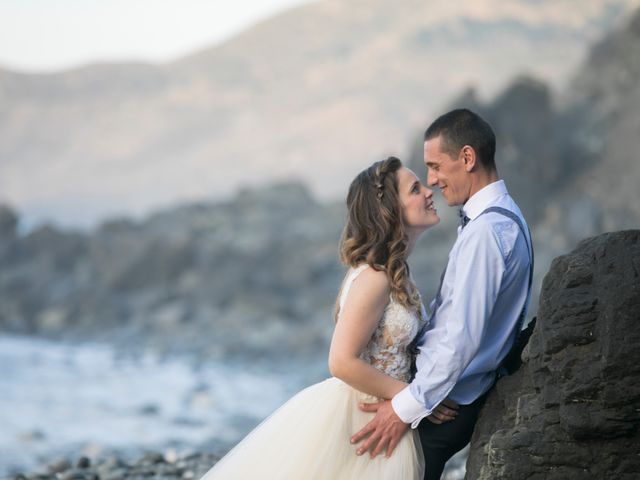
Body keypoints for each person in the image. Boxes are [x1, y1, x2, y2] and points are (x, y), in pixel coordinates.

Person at [199, 156, 449, 479]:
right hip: (363, 415)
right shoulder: (375, 278)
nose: (429, 192)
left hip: (384, 409)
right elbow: (341, 361)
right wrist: (416, 399)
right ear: (390, 210)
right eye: (416, 189)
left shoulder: (393, 272)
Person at [351, 109, 533, 480]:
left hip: (446, 403)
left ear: (467, 158)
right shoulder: (501, 218)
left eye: (435, 167)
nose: (432, 181)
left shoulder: (487, 233)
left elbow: (460, 338)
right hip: (443, 394)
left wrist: (408, 405)